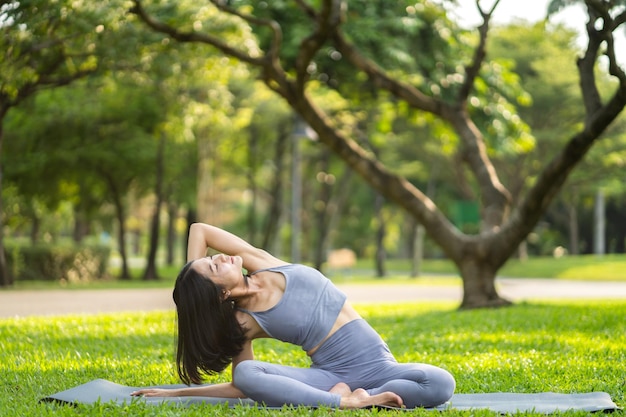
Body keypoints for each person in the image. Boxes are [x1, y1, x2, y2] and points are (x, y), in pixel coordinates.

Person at [131, 223, 455, 409]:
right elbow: (242, 386)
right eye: (214, 267)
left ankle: (363, 398)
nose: (222, 258)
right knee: (247, 372)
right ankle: (342, 404)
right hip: (329, 375)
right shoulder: (242, 322)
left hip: (379, 365)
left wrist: (194, 272)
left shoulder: (261, 262)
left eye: (213, 259)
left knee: (441, 383)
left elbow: (199, 229)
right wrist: (175, 393)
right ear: (221, 295)